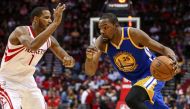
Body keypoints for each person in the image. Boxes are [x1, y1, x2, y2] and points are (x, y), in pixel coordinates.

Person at [85, 13, 179, 109]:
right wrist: (89, 58)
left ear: (116, 25)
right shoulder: (101, 42)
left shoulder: (132, 34)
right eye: (100, 28)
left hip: (153, 73)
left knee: (132, 99)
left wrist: (173, 58)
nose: (102, 31)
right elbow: (90, 71)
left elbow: (163, 49)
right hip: (136, 81)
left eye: (105, 27)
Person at [0, 3, 75, 109]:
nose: (50, 21)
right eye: (46, 18)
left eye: (51, 18)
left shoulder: (50, 40)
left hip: (27, 80)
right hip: (8, 81)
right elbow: (32, 46)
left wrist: (69, 60)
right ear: (35, 19)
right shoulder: (21, 31)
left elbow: (67, 58)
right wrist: (55, 23)